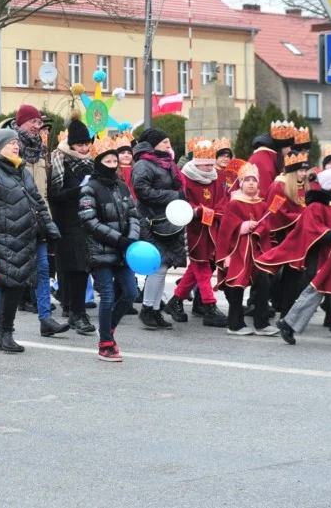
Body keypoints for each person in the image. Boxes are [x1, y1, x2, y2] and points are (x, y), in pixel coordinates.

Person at [0, 129, 60, 352]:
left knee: (17, 286)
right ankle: (4, 334)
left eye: (17, 143)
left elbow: (37, 202)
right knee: (10, 285)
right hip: (2, 237)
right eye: (10, 143)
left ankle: (5, 331)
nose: (16, 146)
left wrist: (50, 228)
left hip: (25, 237)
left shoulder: (21, 171)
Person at [264, 169, 331, 348]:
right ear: (330, 188)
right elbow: (309, 227)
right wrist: (327, 234)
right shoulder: (316, 206)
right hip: (323, 258)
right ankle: (290, 324)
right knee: (315, 292)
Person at [78, 136, 140, 361]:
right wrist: (117, 239)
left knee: (130, 293)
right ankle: (105, 344)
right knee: (106, 295)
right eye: (108, 161)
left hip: (124, 250)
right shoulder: (89, 189)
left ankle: (108, 328)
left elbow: (133, 214)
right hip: (100, 250)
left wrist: (131, 238)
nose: (113, 165)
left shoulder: (122, 187)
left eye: (116, 162)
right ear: (98, 163)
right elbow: (89, 221)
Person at [7, 105, 65, 332]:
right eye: (33, 122)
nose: (37, 127)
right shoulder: (10, 148)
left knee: (42, 269)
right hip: (16, 221)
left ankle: (45, 319)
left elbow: (44, 192)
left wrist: (48, 220)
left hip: (39, 220)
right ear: (21, 122)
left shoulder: (40, 153)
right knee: (10, 274)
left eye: (39, 123)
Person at [164, 139, 229, 327]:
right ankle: (210, 306)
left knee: (198, 267)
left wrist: (216, 212)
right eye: (206, 164)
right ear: (198, 163)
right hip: (193, 228)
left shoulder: (216, 178)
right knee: (202, 266)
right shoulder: (186, 178)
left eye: (211, 163)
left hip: (211, 227)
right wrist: (198, 211)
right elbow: (184, 202)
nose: (210, 167)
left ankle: (175, 301)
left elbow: (221, 200)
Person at [214, 163, 279, 336]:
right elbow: (226, 229)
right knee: (237, 286)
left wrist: (259, 228)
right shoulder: (234, 204)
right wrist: (243, 226)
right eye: (247, 180)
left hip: (256, 253)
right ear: (240, 183)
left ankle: (262, 322)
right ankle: (235, 324)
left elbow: (267, 226)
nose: (251, 183)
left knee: (263, 284)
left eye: (254, 181)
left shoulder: (263, 204)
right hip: (238, 253)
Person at [131, 127, 186, 329]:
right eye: (164, 142)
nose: (168, 144)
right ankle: (148, 309)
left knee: (163, 267)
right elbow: (143, 192)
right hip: (152, 221)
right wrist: (175, 196)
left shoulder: (166, 163)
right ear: (153, 144)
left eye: (168, 141)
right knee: (158, 266)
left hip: (167, 221)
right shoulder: (144, 164)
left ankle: (154, 310)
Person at [48, 110, 95, 333]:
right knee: (73, 268)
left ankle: (74, 308)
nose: (84, 148)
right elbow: (55, 194)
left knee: (81, 268)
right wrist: (78, 190)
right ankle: (77, 312)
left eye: (87, 143)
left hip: (87, 222)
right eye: (80, 144)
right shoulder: (59, 160)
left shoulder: (91, 163)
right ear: (71, 144)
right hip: (66, 222)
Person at [263, 152, 310, 316]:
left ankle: (282, 304)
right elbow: (275, 212)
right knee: (275, 271)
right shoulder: (279, 186)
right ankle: (263, 302)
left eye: (305, 171)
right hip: (281, 233)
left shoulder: (301, 185)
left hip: (299, 233)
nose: (303, 174)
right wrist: (302, 218)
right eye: (300, 171)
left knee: (294, 272)